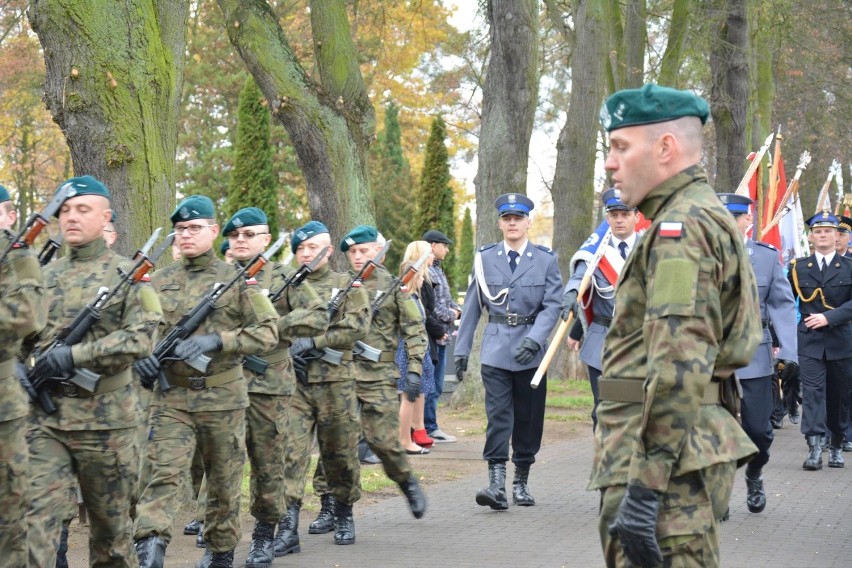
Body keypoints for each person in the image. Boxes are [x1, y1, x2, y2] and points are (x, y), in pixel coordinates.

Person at [590, 84, 761, 567]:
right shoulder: (693, 215)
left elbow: (679, 364)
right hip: (671, 457)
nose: (610, 162)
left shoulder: (680, 228)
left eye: (621, 147)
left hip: (664, 470)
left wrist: (644, 490)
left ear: (665, 148)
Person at [132, 195, 279, 568]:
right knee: (162, 475)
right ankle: (149, 548)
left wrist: (219, 341)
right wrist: (144, 359)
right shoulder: (157, 281)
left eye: (194, 228)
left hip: (224, 397)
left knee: (223, 485)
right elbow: (139, 331)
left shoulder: (239, 280)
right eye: (180, 229)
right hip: (173, 398)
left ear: (214, 232)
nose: (185, 235)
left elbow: (268, 333)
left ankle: (220, 553)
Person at [25, 176, 162, 567]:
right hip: (48, 420)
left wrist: (75, 356)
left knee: (111, 541)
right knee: (36, 529)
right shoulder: (40, 276)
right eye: (65, 210)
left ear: (105, 218)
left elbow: (140, 338)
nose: (71, 217)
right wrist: (20, 367)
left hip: (108, 424)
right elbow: (19, 336)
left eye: (82, 209)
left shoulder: (131, 276)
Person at [221, 208, 328, 567]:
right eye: (235, 235)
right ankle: (218, 546)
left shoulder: (286, 276)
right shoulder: (216, 278)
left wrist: (278, 326)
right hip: (219, 387)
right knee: (223, 468)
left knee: (268, 467)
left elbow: (317, 315)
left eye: (249, 234)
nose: (240, 240)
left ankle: (264, 537)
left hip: (268, 388)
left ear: (266, 240)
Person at [308, 224, 428, 532]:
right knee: (336, 446)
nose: (358, 257)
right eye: (352, 252)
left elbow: (415, 332)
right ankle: (334, 509)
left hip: (379, 378)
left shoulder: (395, 287)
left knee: (384, 441)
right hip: (341, 375)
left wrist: (414, 370)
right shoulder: (341, 287)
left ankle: (406, 481)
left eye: (364, 251)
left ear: (378, 251)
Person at [454, 193, 562, 510]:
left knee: (528, 420)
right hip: (496, 349)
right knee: (499, 417)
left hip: (533, 352)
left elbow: (552, 304)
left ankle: (521, 482)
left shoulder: (545, 259)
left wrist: (537, 338)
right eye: (506, 218)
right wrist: (461, 349)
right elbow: (472, 306)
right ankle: (496, 485)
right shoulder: (485, 258)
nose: (512, 223)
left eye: (518, 218)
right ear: (500, 223)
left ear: (528, 222)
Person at [278, 221, 367, 552]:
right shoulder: (287, 286)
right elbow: (267, 326)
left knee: (339, 454)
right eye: (300, 248)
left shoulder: (347, 285)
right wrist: (289, 348)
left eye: (312, 247)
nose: (305, 253)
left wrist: (313, 342)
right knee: (291, 454)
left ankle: (343, 513)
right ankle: (288, 529)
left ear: (328, 251)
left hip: (336, 384)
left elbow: (357, 326)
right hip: (296, 385)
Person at [718, 193, 798, 514]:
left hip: (755, 355)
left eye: (731, 218)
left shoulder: (765, 257)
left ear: (747, 220)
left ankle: (754, 471)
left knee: (758, 431)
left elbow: (781, 304)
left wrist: (789, 352)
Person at [564, 188, 639, 430]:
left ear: (636, 216)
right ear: (607, 218)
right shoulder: (596, 252)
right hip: (603, 338)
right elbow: (580, 279)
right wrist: (571, 294)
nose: (619, 219)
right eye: (614, 214)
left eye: (624, 214)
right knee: (604, 408)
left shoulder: (653, 249)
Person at [0, 184, 47, 566]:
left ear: (9, 215)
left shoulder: (18, 257)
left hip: (3, 404)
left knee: (8, 512)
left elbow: (29, 319)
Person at [787, 210, 852, 470]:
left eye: (828, 231)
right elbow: (784, 302)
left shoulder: (849, 266)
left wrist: (829, 318)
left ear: (836, 235)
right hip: (810, 341)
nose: (823, 235)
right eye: (818, 231)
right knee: (813, 393)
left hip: (841, 340)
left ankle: (836, 445)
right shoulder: (799, 268)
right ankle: (814, 447)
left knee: (839, 395)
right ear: (811, 236)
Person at [396, 240, 438, 453]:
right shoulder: (407, 299)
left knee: (413, 396)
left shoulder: (413, 298)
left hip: (417, 352)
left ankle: (411, 434)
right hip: (408, 353)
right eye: (420, 276)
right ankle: (404, 440)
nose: (423, 279)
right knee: (407, 397)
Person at [422, 229, 461, 443]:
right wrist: (451, 314)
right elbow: (433, 306)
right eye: (444, 245)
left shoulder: (439, 269)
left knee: (436, 385)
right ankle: (428, 427)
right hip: (433, 337)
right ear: (432, 246)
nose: (446, 249)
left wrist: (457, 309)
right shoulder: (427, 272)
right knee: (431, 384)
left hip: (443, 334)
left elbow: (448, 297)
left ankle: (430, 425)